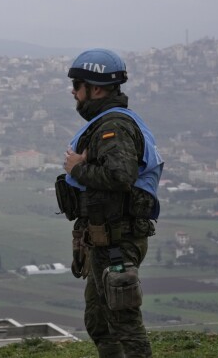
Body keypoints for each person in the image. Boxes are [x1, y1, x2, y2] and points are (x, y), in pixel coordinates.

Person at [57, 49, 163, 358]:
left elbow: (120, 177)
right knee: (99, 321)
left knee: (124, 324)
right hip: (106, 239)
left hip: (118, 239)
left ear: (97, 88)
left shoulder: (112, 127)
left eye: (77, 86)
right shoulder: (110, 123)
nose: (74, 93)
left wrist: (76, 168)